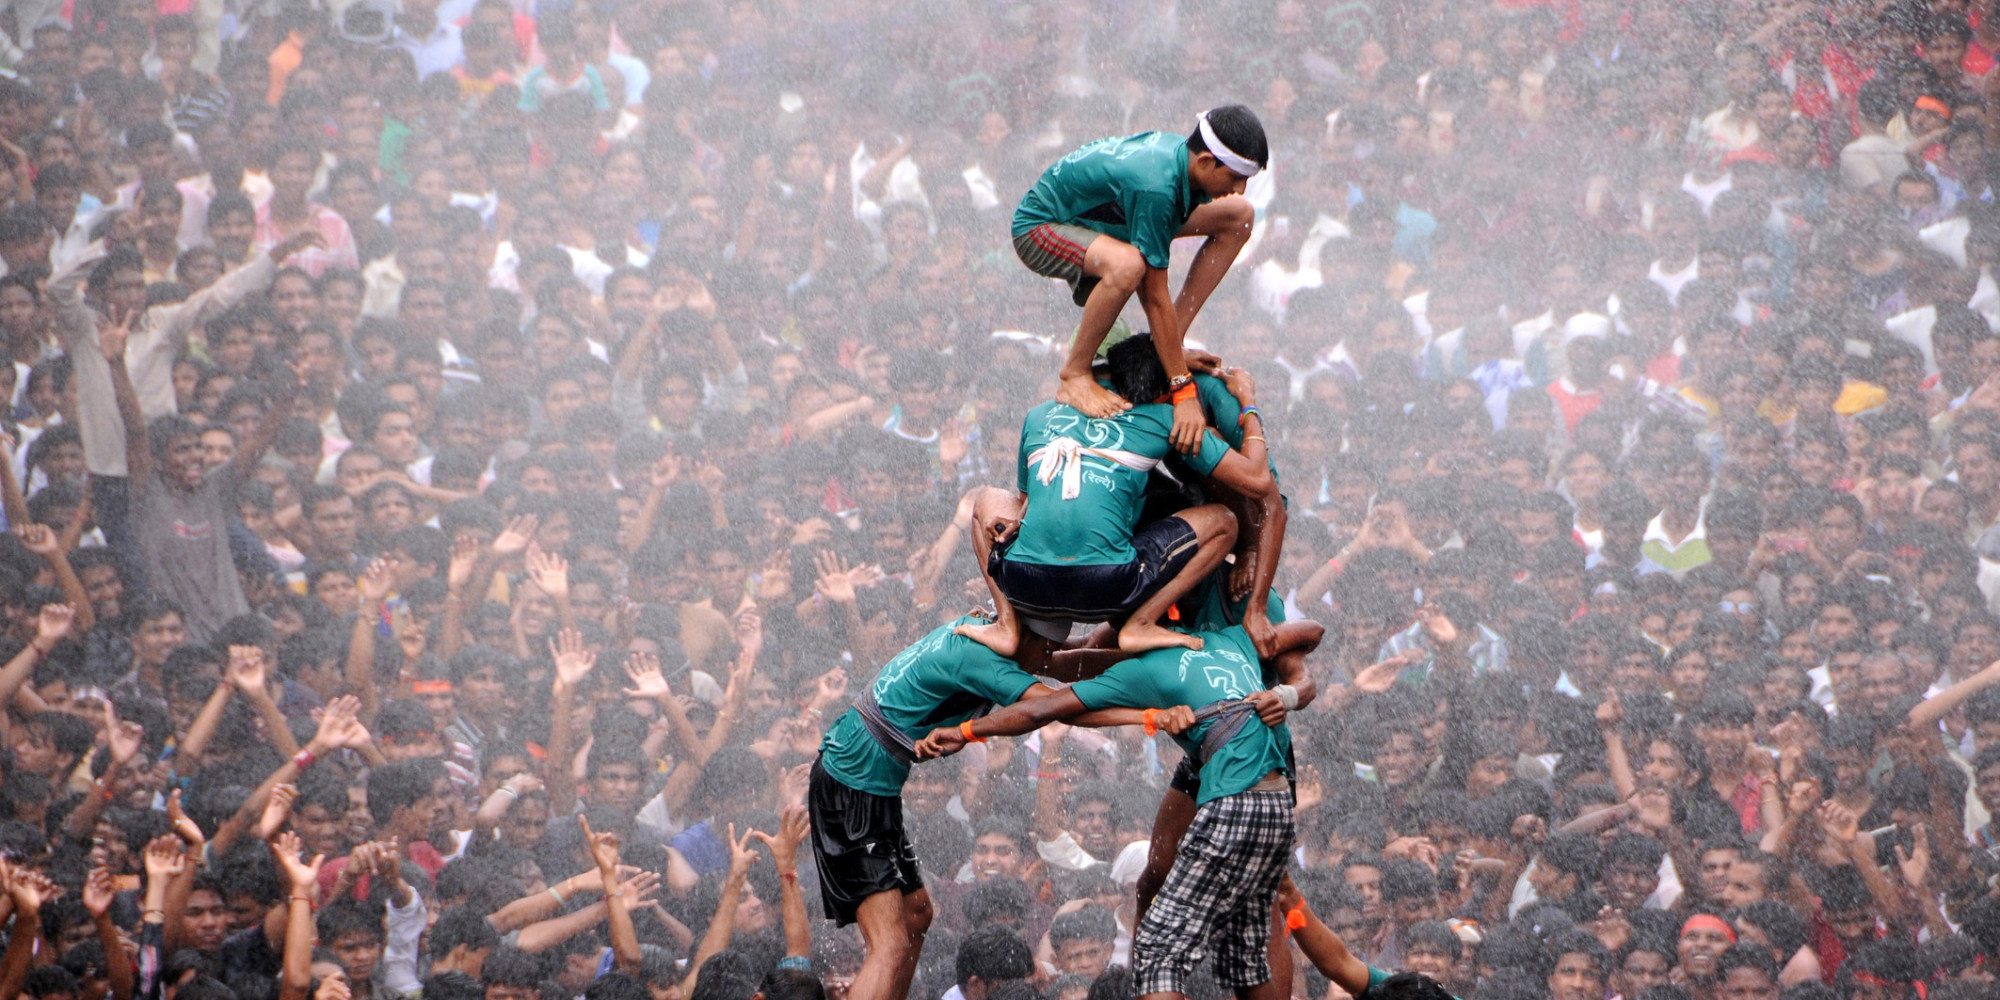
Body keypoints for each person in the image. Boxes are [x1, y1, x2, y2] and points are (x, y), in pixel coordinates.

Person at [965, 333, 1273, 655]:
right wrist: (1247, 401)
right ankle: (1142, 622)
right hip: (1109, 589)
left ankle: (1006, 624)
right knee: (1224, 521)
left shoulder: (1041, 413)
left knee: (986, 498)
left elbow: (1030, 501)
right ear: (1161, 392)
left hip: (1023, 584)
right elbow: (1257, 480)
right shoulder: (1165, 417)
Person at [1012, 106, 1263, 433]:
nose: (1240, 188)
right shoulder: (1156, 186)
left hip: (1111, 223)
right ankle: (1074, 373)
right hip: (1041, 228)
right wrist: (1183, 390)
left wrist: (1172, 358)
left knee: (1238, 216)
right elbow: (1155, 297)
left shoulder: (1182, 160)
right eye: (1234, 177)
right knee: (1129, 266)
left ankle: (1165, 350)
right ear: (1204, 161)